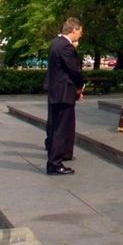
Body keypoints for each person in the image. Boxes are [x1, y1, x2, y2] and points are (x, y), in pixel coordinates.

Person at [43, 17, 84, 175]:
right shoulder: (66, 47)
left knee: (55, 126)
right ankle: (55, 163)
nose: (80, 35)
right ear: (73, 30)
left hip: (55, 91)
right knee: (61, 128)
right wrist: (80, 87)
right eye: (79, 32)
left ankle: (54, 158)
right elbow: (74, 70)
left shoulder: (55, 43)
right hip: (63, 92)